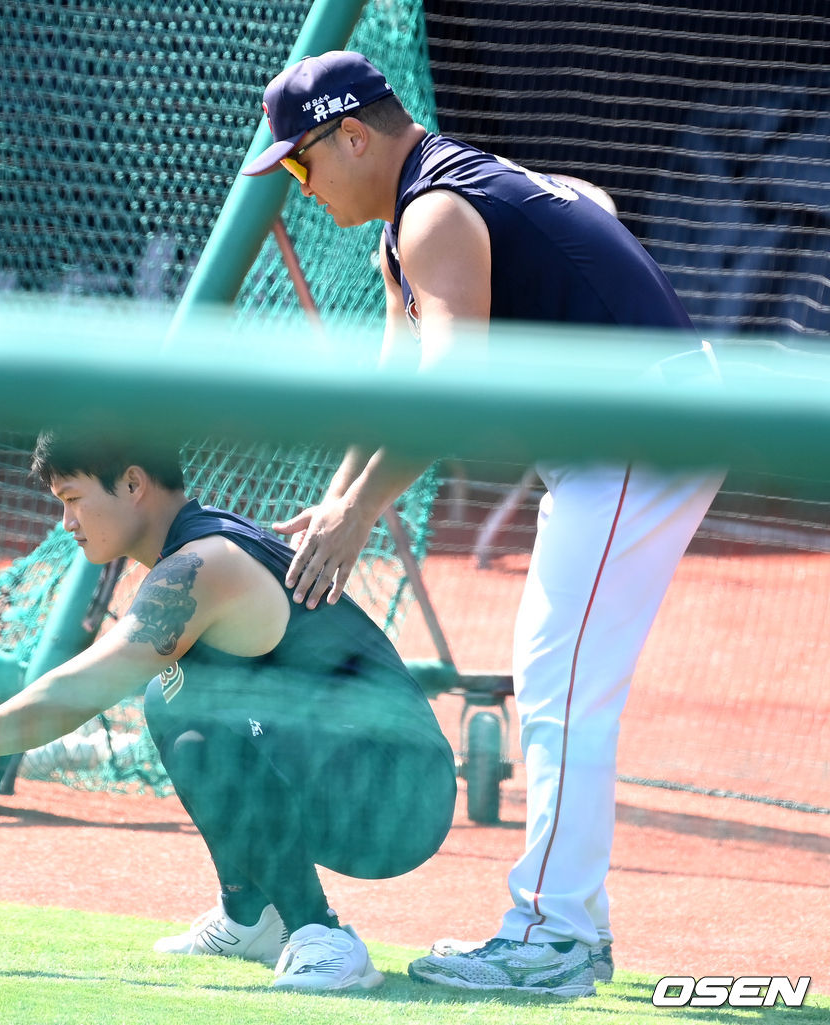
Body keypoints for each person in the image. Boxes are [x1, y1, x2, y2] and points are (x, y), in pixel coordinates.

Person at [242, 50, 724, 995]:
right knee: (557, 677)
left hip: (644, 428)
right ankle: (567, 926)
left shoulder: (435, 213)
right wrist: (342, 500)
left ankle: (555, 934)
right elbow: (398, 386)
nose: (299, 184)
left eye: (301, 161)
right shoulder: (411, 221)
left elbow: (451, 396)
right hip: (622, 434)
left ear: (353, 136)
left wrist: (362, 512)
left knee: (561, 681)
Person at [0, 429, 458, 993]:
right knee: (172, 696)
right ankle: (252, 916)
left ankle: (321, 935)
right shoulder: (198, 546)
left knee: (196, 717)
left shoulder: (204, 564)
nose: (66, 523)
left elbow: (81, 690)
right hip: (369, 776)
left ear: (132, 484)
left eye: (72, 499)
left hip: (399, 797)